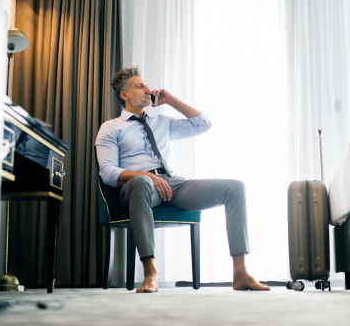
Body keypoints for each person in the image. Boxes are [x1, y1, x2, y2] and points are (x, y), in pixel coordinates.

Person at [95, 66, 270, 293]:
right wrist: (146, 175)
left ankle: (240, 273)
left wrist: (171, 100)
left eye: (147, 85)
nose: (148, 89)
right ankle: (151, 273)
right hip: (137, 186)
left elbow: (204, 124)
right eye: (140, 86)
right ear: (124, 95)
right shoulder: (111, 128)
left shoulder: (163, 123)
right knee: (141, 183)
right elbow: (107, 172)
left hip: (173, 184)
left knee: (234, 187)